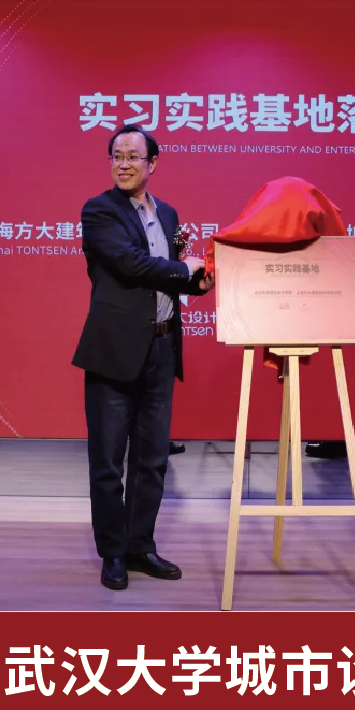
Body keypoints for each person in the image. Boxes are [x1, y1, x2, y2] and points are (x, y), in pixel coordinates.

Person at [72, 124, 213, 590]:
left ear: (153, 162)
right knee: (108, 461)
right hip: (113, 351)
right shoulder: (99, 210)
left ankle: (140, 546)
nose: (124, 163)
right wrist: (182, 269)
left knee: (152, 459)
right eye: (118, 155)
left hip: (161, 348)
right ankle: (113, 552)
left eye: (134, 156)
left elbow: (169, 277)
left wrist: (198, 281)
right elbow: (131, 264)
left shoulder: (167, 213)